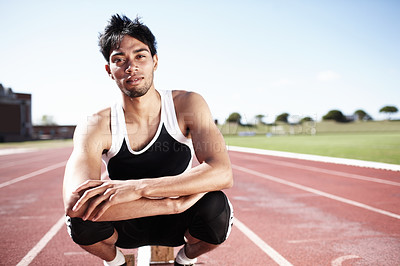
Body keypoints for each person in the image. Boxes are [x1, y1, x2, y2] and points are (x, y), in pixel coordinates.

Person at [63, 14, 234, 266]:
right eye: (119, 60)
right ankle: (116, 262)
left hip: (178, 219)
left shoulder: (186, 104)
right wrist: (169, 204)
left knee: (216, 208)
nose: (131, 66)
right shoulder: (96, 124)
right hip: (128, 221)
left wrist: (138, 188)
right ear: (109, 71)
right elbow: (75, 204)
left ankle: (185, 260)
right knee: (81, 221)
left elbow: (222, 172)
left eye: (140, 56)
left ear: (154, 61)